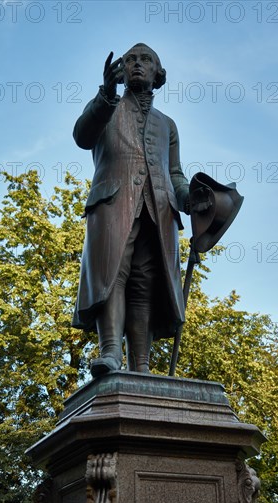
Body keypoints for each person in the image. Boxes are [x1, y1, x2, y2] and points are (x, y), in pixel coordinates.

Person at [72, 43, 207, 377]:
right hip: (113, 204)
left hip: (159, 210)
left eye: (145, 60)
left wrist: (189, 197)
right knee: (112, 275)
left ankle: (142, 366)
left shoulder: (168, 125)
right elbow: (82, 135)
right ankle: (111, 353)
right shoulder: (107, 108)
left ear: (157, 73)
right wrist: (106, 91)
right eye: (130, 59)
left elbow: (174, 172)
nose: (136, 64)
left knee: (145, 283)